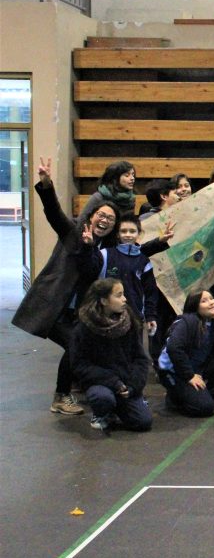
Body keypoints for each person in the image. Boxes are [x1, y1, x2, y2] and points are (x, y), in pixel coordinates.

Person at [14, 158, 120, 416]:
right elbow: (53, 213)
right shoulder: (72, 233)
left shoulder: (101, 251)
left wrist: (89, 247)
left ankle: (71, 385)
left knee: (79, 345)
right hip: (53, 306)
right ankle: (61, 396)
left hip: (75, 312)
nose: (105, 220)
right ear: (91, 217)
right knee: (75, 344)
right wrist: (46, 183)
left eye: (110, 219)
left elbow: (90, 269)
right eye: (101, 215)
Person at [70, 278, 153, 432]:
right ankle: (102, 413)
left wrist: (133, 386)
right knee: (102, 398)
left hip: (126, 382)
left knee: (143, 422)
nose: (125, 299)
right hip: (101, 383)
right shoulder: (84, 328)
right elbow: (80, 365)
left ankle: (122, 405)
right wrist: (113, 381)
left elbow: (140, 358)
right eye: (119, 295)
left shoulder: (129, 321)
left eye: (123, 294)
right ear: (104, 301)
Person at [156, 289, 214, 417]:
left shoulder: (210, 321)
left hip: (195, 367)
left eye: (211, 298)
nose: (211, 302)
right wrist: (189, 376)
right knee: (205, 407)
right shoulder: (188, 321)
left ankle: (189, 393)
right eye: (204, 301)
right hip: (173, 371)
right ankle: (175, 397)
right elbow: (174, 348)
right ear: (195, 306)